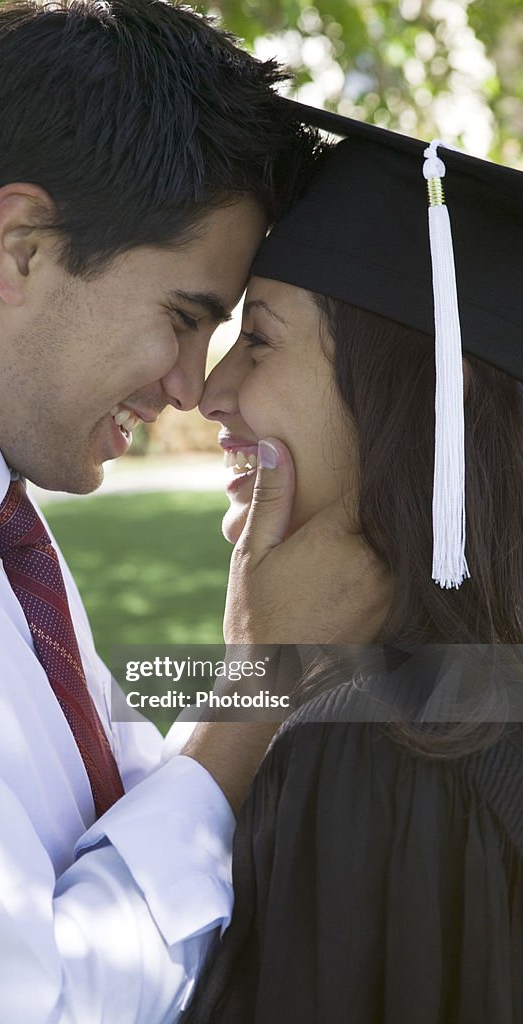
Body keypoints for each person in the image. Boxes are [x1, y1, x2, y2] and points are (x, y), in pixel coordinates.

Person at [0, 8, 389, 1024]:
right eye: (183, 319)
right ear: (24, 244)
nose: (191, 386)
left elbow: (129, 812)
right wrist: (246, 703)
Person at [183, 103, 523, 1022]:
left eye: (258, 338)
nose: (207, 392)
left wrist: (255, 684)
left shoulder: (375, 753)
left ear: (414, 392)